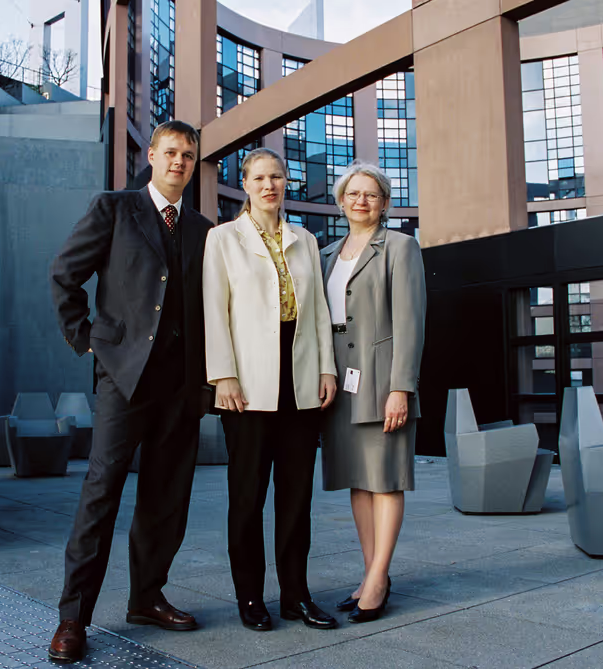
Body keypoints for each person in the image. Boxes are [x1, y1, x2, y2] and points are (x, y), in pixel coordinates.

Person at [48, 120, 214, 663]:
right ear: (152, 154)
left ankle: (146, 598)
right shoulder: (114, 209)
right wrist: (89, 342)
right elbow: (65, 276)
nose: (178, 163)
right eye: (170, 153)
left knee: (167, 499)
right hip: (122, 380)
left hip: (180, 385)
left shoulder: (204, 230)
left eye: (188, 156)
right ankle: (74, 617)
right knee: (101, 493)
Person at [203, 147, 338, 632]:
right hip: (248, 386)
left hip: (300, 383)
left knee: (296, 499)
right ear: (246, 184)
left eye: (277, 177)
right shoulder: (223, 239)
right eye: (259, 177)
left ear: (286, 183)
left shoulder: (304, 238)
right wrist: (223, 375)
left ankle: (295, 596)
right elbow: (213, 312)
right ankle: (250, 598)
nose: (269, 185)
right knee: (247, 498)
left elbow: (318, 311)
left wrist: (327, 369)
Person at [320, 161, 426, 624]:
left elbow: (411, 322)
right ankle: (368, 573)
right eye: (353, 193)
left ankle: (380, 578)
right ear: (341, 200)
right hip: (339, 379)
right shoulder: (326, 253)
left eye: (371, 194)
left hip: (382, 379)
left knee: (385, 477)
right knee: (358, 480)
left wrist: (401, 388)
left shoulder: (400, 248)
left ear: (384, 203)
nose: (361, 201)